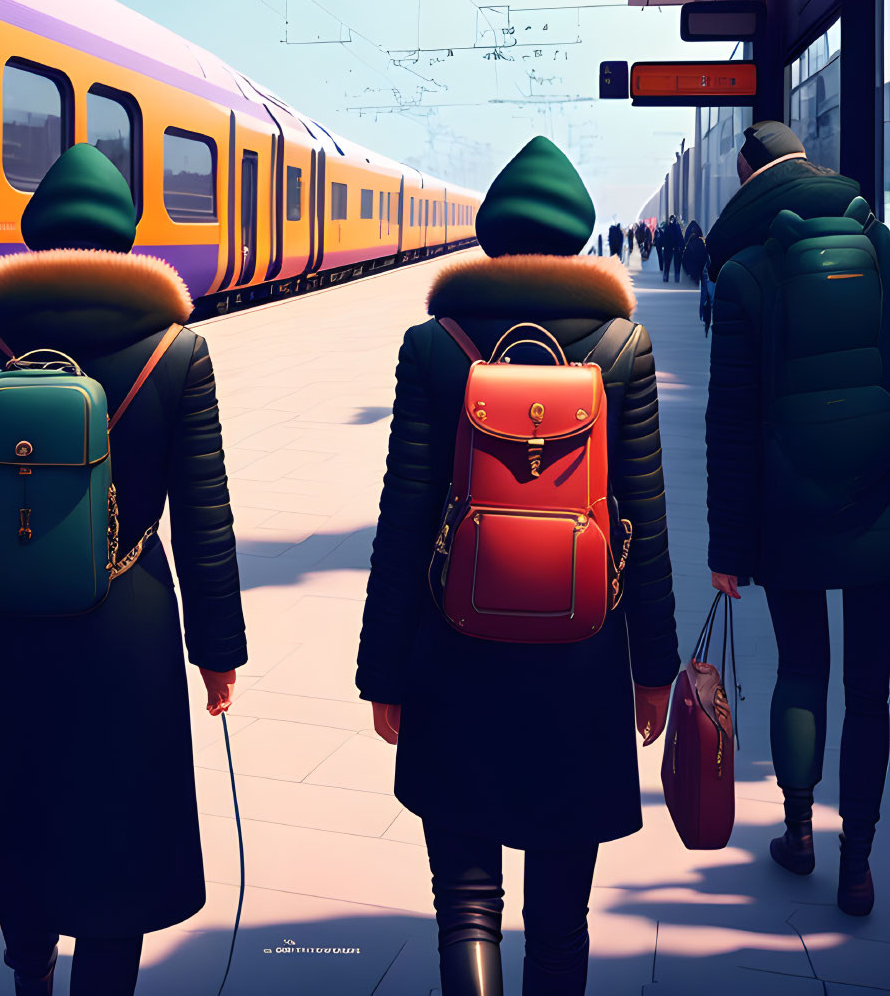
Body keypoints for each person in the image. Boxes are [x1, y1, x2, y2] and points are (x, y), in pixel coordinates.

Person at [0, 144, 247, 996]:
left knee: (23, 803)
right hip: (126, 620)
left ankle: (29, 977)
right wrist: (217, 649)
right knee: (118, 821)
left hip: (9, 619)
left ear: (36, 240)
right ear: (126, 243)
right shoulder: (177, 352)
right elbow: (205, 515)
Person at [357, 135, 679, 995]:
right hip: (578, 660)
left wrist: (381, 671)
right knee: (560, 915)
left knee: (465, 903)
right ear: (577, 236)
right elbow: (639, 525)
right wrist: (653, 671)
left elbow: (403, 519)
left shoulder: (435, 346)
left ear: (491, 236)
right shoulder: (621, 346)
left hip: (450, 652)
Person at [706, 119, 889, 916]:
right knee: (870, 690)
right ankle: (858, 866)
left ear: (749, 177)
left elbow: (730, 424)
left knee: (801, 671)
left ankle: (797, 834)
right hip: (877, 504)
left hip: (785, 508)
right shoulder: (879, 249)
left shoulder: (747, 272)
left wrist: (726, 545)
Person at [658, 215, 685, 282]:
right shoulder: (676, 228)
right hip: (673, 248)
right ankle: (675, 278)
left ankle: (668, 277)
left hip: (670, 248)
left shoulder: (669, 227)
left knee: (670, 263)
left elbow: (665, 238)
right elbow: (680, 237)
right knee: (673, 263)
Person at [681, 219, 707, 285]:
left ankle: (694, 279)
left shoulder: (689, 239)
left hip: (691, 253)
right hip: (698, 255)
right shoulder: (700, 242)